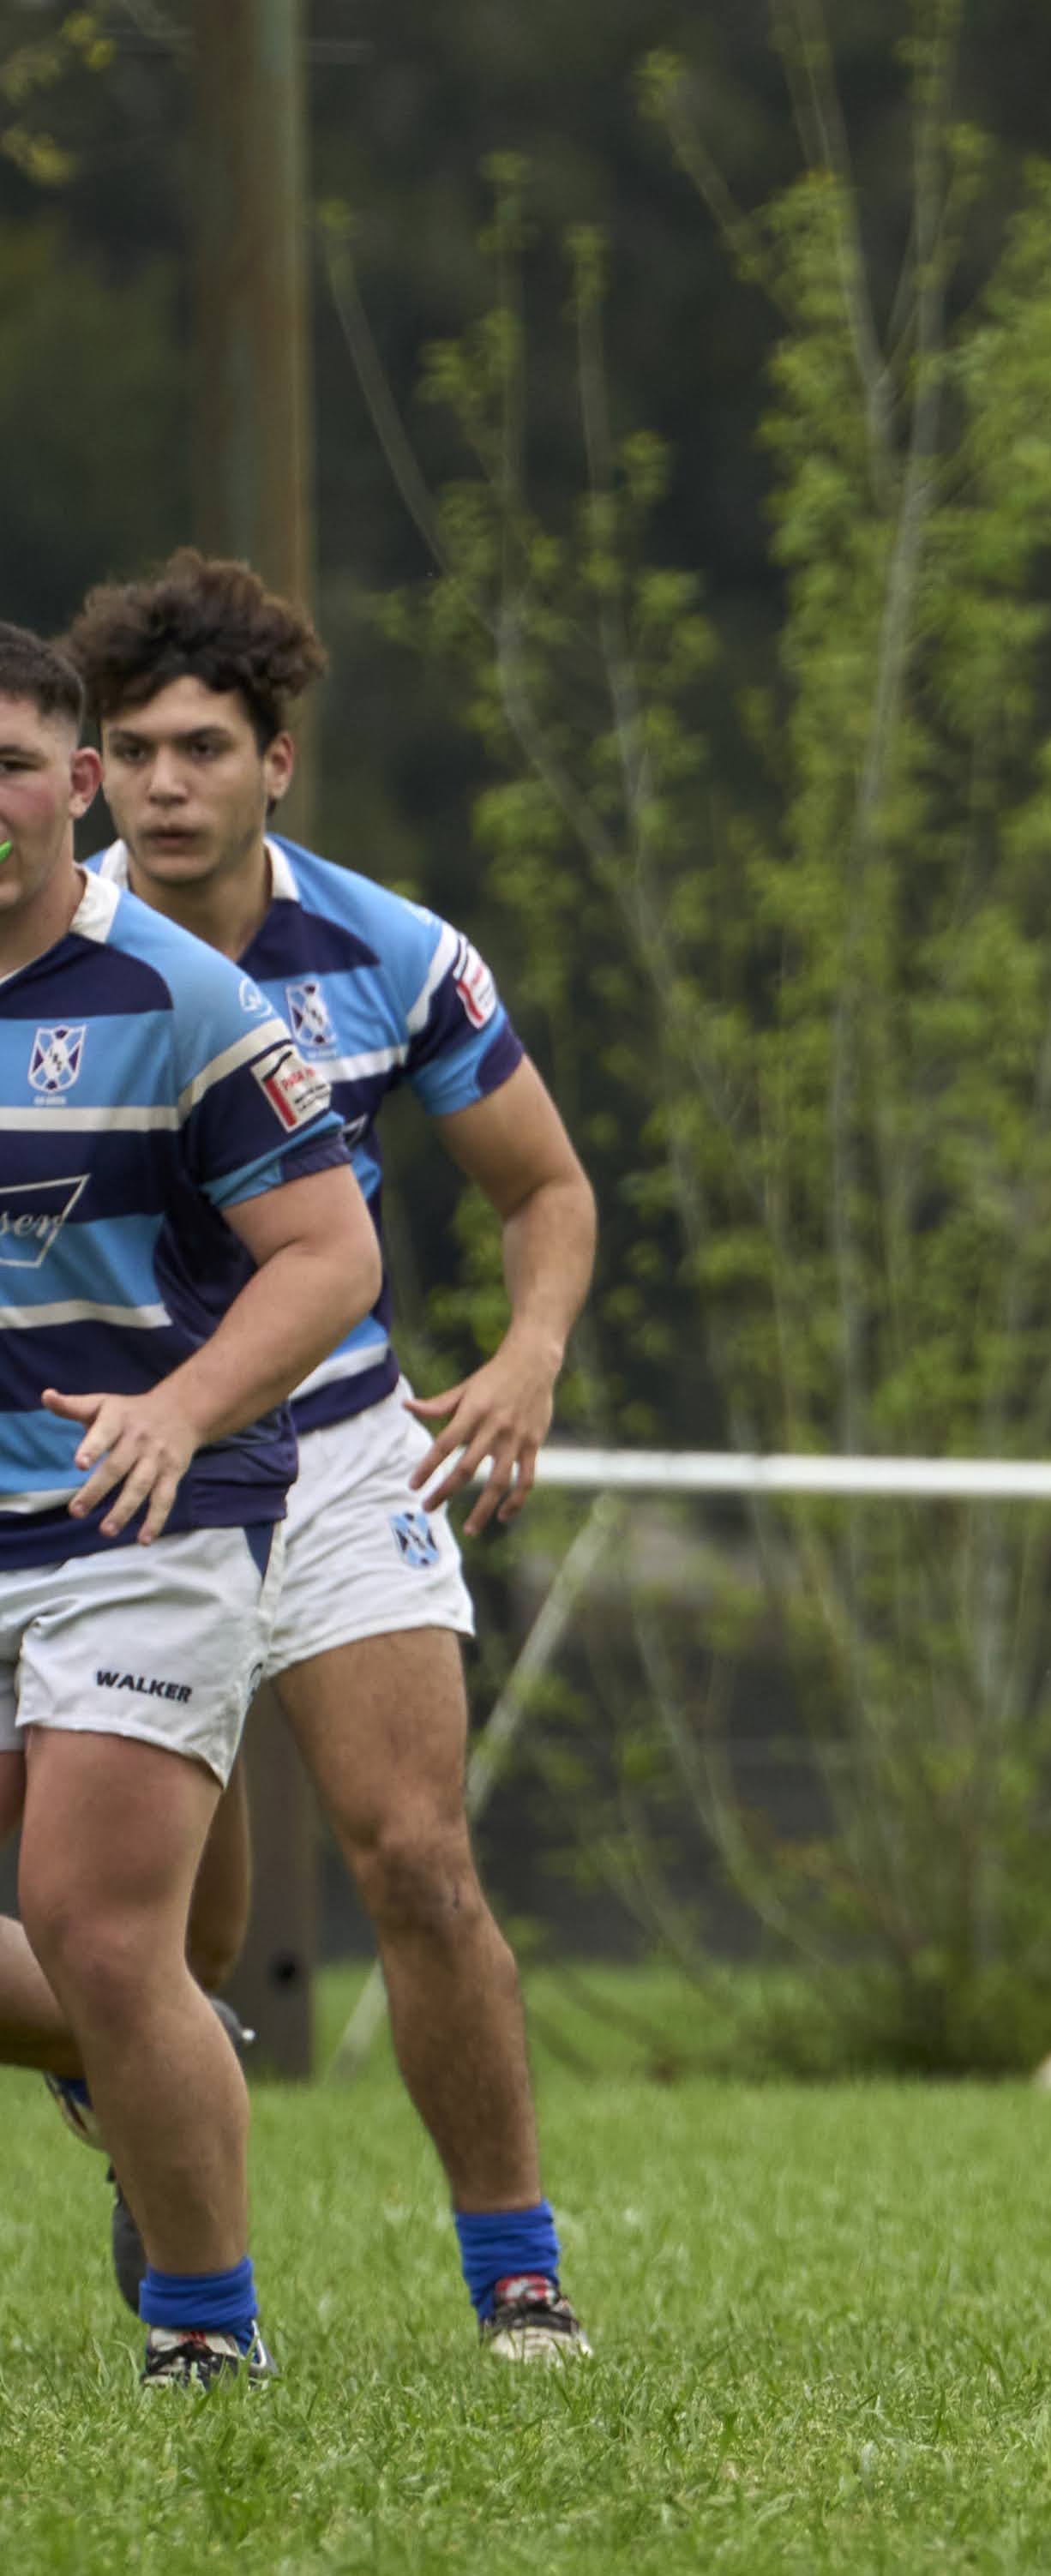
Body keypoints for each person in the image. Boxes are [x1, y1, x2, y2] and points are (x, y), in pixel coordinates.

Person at [11, 555, 599, 2360]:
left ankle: (515, 2271)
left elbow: (542, 1186)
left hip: (334, 1447)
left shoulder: (394, 952)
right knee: (134, 1944)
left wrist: (524, 1356)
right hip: (100, 1474)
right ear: (93, 773)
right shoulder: (47, 927)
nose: (170, 783)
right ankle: (166, 2063)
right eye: (138, 749)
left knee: (414, 1849)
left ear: (279, 761)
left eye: (207, 747)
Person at [0, 621, 375, 2387]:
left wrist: (176, 1402)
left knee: (93, 1913)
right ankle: (161, 2043)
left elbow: (332, 1251)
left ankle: (207, 2332)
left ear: (75, 787)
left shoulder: (180, 996)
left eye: (13, 766)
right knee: (115, 1963)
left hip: (147, 1509)